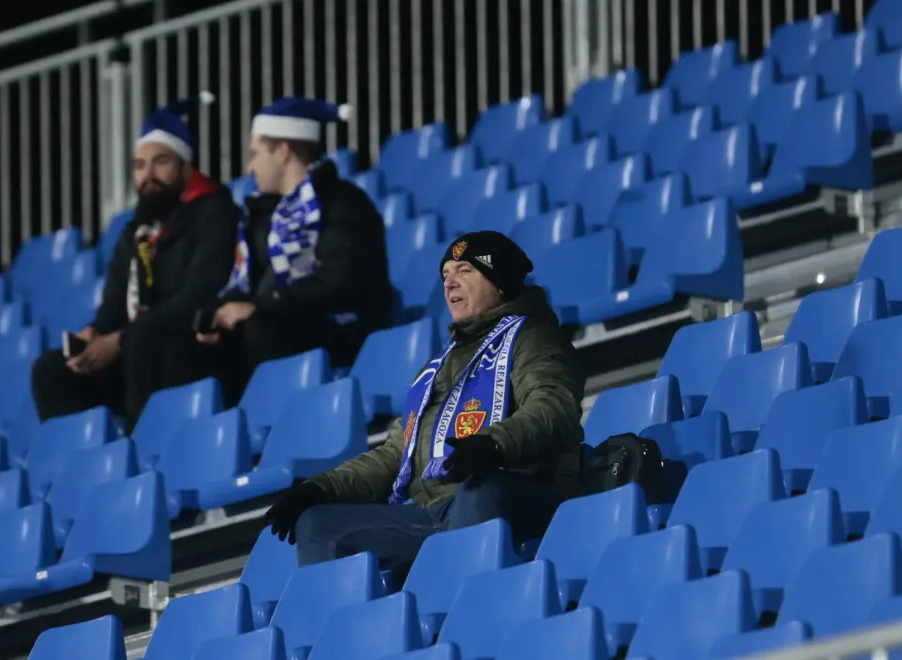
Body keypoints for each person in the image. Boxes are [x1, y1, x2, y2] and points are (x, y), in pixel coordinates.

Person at [263, 231, 585, 572]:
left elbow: (553, 406)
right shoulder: (437, 367)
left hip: (513, 494)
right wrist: (319, 489)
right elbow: (394, 455)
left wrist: (494, 445)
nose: (450, 284)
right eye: (446, 275)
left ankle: (471, 610)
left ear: (500, 282)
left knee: (477, 490)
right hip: (429, 514)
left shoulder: (533, 336)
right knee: (318, 525)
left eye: (465, 271)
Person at [30, 93, 238, 429]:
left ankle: (147, 457)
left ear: (186, 167)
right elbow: (114, 306)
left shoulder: (214, 212)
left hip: (192, 349)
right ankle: (85, 471)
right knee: (52, 370)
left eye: (161, 162)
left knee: (143, 341)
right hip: (140, 354)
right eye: (139, 166)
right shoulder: (134, 233)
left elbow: (199, 294)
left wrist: (123, 340)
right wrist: (96, 335)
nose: (147, 175)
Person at [197, 97, 392, 405]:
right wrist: (218, 315)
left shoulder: (342, 201)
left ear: (283, 152)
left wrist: (263, 306)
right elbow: (247, 282)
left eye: (256, 154)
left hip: (340, 328)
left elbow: (339, 281)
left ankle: (281, 424)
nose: (250, 166)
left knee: (263, 326)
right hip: (282, 323)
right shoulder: (261, 216)